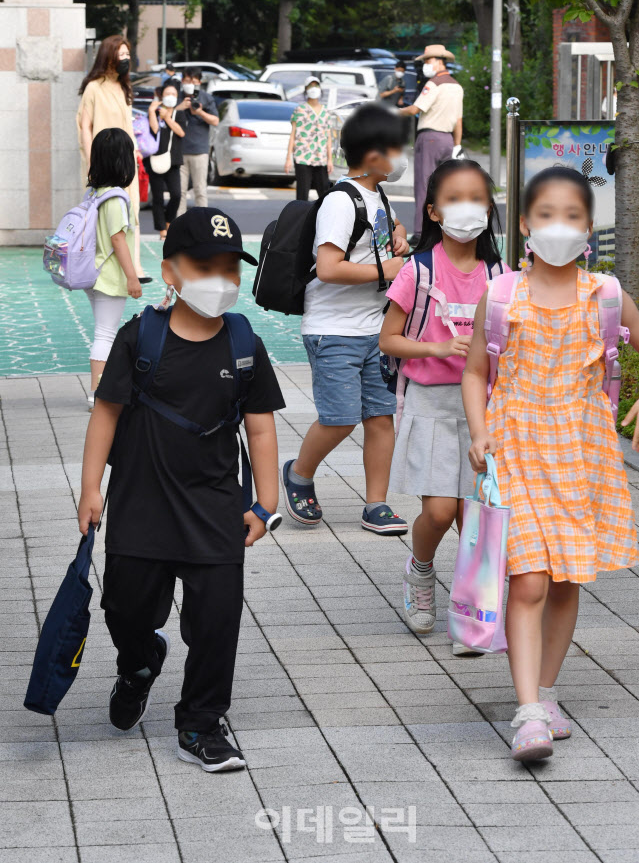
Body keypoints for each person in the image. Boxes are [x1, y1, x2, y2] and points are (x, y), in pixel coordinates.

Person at [462, 166, 639, 763]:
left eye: (573, 216)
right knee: (526, 578)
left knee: (565, 579)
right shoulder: (501, 295)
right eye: (546, 215)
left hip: (583, 451)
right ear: (525, 224)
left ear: (589, 226)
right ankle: (527, 711)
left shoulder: (604, 294)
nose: (559, 227)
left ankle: (547, 692)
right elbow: (476, 372)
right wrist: (479, 433)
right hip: (517, 447)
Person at [77, 208, 285, 772]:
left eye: (229, 269)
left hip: (214, 508)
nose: (219, 280)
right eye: (204, 266)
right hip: (140, 507)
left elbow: (261, 426)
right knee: (124, 609)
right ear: (170, 272)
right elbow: (106, 413)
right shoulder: (139, 337)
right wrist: (90, 486)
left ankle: (200, 723)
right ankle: (140, 662)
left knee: (217, 621)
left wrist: (265, 503)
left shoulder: (244, 343)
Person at [380, 159, 508, 636]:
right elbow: (388, 339)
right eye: (454, 199)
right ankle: (421, 569)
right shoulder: (418, 270)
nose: (466, 208)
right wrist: (434, 346)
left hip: (486, 408)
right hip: (431, 404)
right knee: (440, 511)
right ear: (433, 212)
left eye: (477, 197)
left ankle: (472, 610)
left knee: (475, 517)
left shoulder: (500, 273)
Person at [282, 104, 411, 534]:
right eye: (394, 149)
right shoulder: (339, 200)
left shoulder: (378, 195)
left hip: (375, 327)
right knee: (339, 418)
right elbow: (328, 267)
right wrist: (383, 271)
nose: (400, 157)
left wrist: (399, 237)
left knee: (380, 416)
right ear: (373, 154)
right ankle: (299, 473)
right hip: (333, 330)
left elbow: (384, 237)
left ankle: (376, 504)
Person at [77, 35, 151, 283]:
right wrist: (91, 161)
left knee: (132, 212)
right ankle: (106, 266)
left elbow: (128, 125)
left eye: (128, 55)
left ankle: (136, 267)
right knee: (106, 215)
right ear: (108, 56)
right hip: (102, 163)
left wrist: (136, 152)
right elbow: (84, 126)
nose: (126, 59)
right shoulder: (93, 88)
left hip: (126, 161)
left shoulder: (123, 87)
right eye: (121, 54)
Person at [84, 128, 142, 411]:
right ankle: (97, 392)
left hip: (92, 273)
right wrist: (133, 277)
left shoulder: (94, 193)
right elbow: (118, 239)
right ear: (124, 160)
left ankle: (101, 388)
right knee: (106, 334)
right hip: (109, 275)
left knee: (102, 331)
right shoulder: (116, 198)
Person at [398, 44, 464, 239]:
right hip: (448, 140)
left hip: (429, 139)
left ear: (439, 61)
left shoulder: (433, 84)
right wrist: (457, 145)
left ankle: (421, 232)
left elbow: (414, 109)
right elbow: (458, 120)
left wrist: (390, 112)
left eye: (428, 60)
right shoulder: (457, 86)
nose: (426, 64)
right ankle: (445, 229)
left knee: (424, 186)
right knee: (444, 186)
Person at [176, 67, 220, 215]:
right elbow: (165, 116)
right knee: (179, 192)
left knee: (200, 190)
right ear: (182, 81)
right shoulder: (177, 96)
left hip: (200, 150)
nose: (190, 84)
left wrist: (199, 112)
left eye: (194, 81)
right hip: (179, 151)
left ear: (199, 82)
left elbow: (215, 121)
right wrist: (180, 107)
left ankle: (204, 223)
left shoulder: (206, 98)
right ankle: (178, 225)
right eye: (187, 81)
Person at [147, 80, 187, 239]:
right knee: (157, 197)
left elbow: (181, 133)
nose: (170, 96)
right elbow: (154, 130)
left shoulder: (180, 113)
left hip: (173, 159)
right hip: (155, 159)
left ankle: (170, 222)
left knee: (176, 194)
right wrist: (152, 113)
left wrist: (168, 118)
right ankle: (162, 229)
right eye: (167, 94)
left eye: (173, 94)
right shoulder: (155, 111)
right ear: (161, 96)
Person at [284, 77, 333, 201]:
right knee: (302, 193)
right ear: (306, 90)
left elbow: (328, 137)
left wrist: (330, 159)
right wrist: (288, 158)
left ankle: (324, 217)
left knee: (324, 193)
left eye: (316, 86)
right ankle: (301, 218)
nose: (314, 89)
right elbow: (293, 134)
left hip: (320, 157)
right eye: (310, 87)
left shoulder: (326, 112)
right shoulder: (299, 110)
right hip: (302, 156)